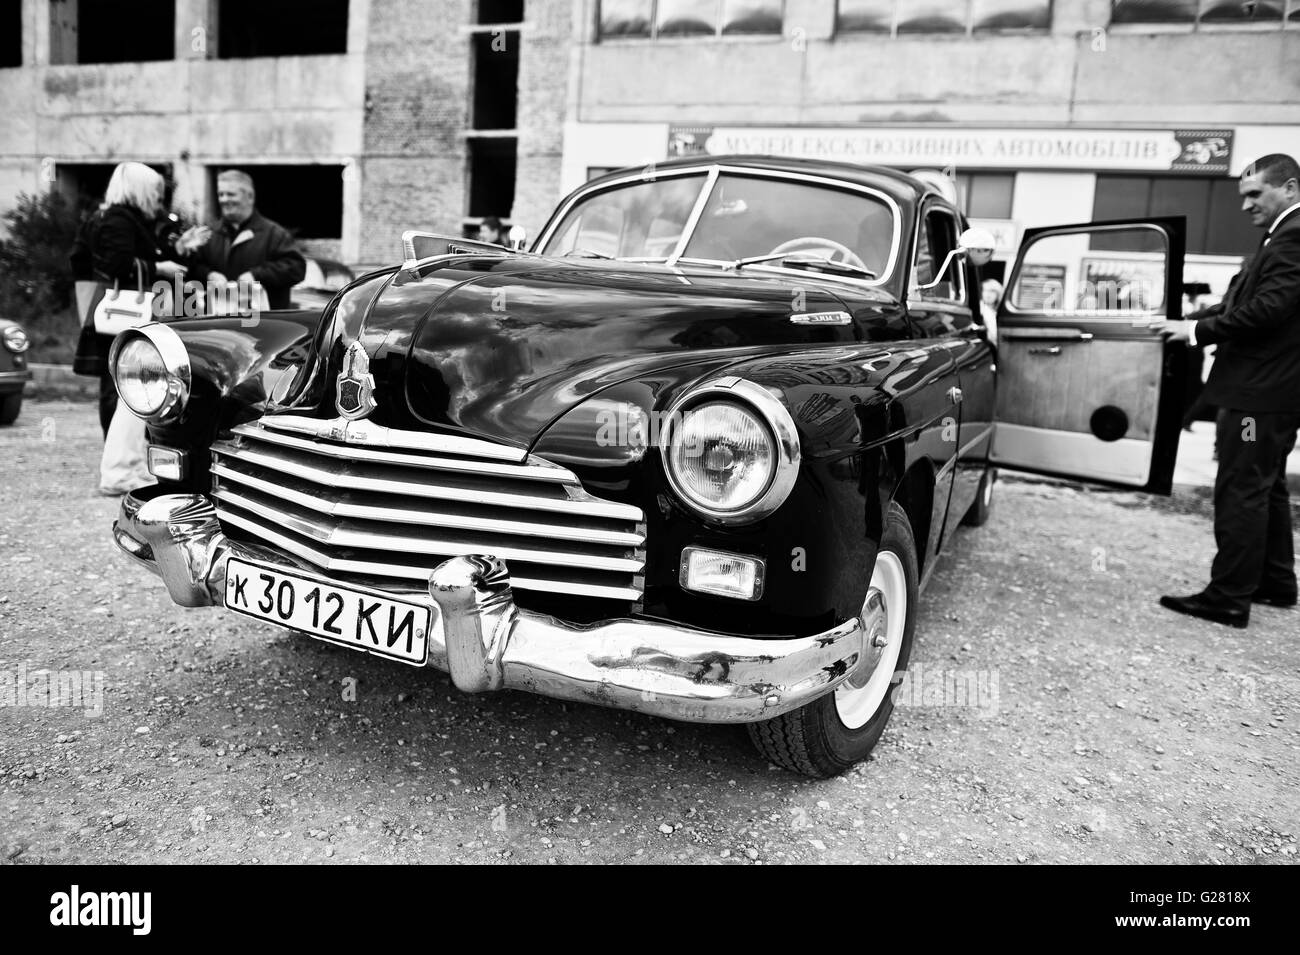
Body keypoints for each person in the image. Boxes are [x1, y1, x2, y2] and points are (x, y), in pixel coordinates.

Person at [1153, 153, 1300, 628]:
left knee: (1242, 489)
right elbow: (1245, 301)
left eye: (1255, 193)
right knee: (1266, 485)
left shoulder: (1293, 238)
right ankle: (1275, 581)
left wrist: (1197, 334)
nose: (1245, 205)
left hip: (1258, 397)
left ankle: (1228, 597)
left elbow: (1266, 312)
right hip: (1268, 393)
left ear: (1291, 189)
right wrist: (1187, 321)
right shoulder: (1281, 237)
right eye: (1243, 195)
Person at [87, 162, 168, 496]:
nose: (159, 197)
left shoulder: (115, 217)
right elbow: (118, 264)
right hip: (130, 315)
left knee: (134, 394)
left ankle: (127, 467)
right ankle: (119, 472)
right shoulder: (120, 219)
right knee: (132, 394)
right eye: (155, 190)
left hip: (126, 317)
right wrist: (158, 265)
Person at [181, 170, 306, 310]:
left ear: (250, 197)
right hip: (218, 325)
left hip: (266, 326)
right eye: (221, 194)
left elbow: (297, 268)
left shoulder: (275, 234)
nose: (224, 199)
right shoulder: (209, 234)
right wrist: (209, 274)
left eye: (231, 194)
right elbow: (191, 268)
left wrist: (257, 275)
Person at [979, 278, 1002, 342]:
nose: (987, 294)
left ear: (998, 293)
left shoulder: (999, 311)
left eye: (991, 291)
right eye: (985, 290)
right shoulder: (980, 309)